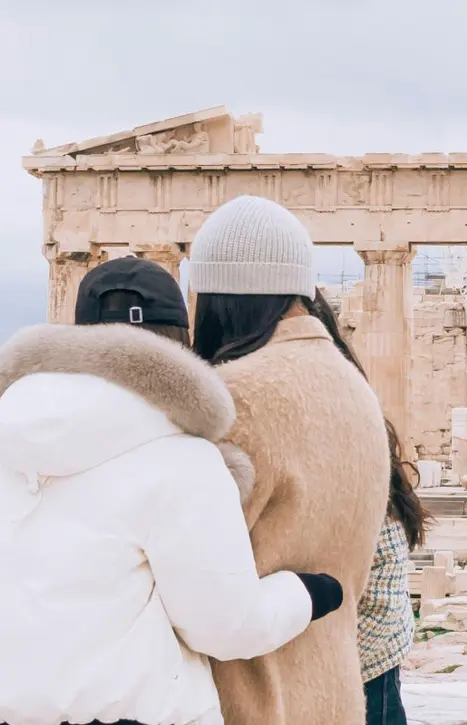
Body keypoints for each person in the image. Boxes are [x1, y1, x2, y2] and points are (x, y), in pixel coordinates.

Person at [0, 256, 343, 725]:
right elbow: (224, 626)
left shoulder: (10, 438)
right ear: (181, 346)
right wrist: (307, 592)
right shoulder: (183, 461)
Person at [189, 196, 391, 725]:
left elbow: (189, 585)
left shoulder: (236, 399)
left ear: (218, 296)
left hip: (251, 703)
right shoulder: (358, 393)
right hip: (334, 697)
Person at [308, 289, 434, 725]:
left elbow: (380, 585)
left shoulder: (346, 421)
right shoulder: (356, 412)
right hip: (363, 662)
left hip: (352, 670)